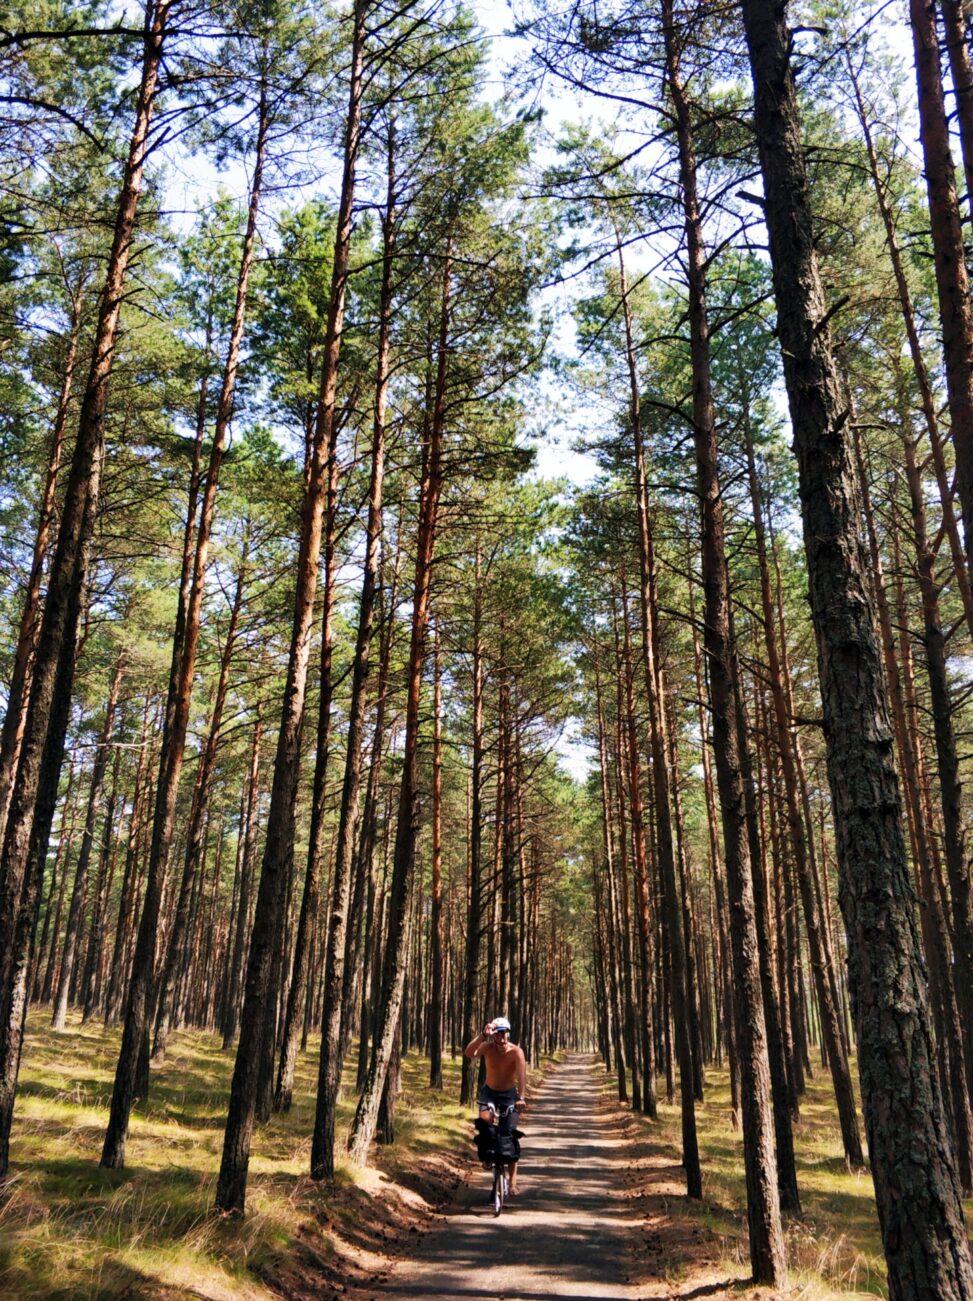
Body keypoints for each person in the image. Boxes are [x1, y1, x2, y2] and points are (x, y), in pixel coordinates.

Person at [464, 1016, 527, 1194]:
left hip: (509, 1095)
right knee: (485, 1123)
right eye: (498, 1033)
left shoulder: (516, 1052)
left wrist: (521, 1097)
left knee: (509, 1136)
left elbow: (521, 1076)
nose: (501, 1036)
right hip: (489, 1092)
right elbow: (469, 1053)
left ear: (508, 1033)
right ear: (493, 1035)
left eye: (504, 1032)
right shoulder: (487, 1047)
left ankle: (512, 1182)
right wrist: (482, 1036)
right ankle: (486, 1156)